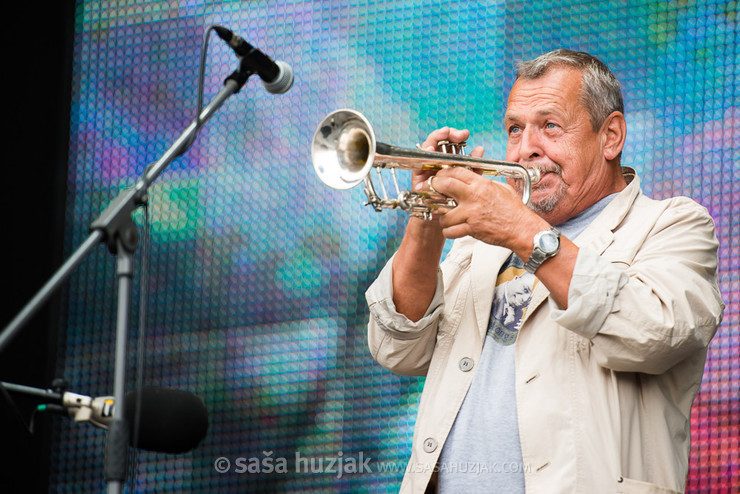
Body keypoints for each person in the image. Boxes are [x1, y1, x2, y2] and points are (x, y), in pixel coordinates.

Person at [365, 49, 724, 493]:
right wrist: (427, 219)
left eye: (550, 125)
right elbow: (397, 350)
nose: (526, 148)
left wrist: (521, 230)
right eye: (515, 129)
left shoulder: (673, 223)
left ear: (610, 136)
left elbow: (654, 332)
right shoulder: (480, 240)